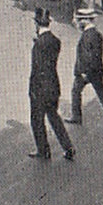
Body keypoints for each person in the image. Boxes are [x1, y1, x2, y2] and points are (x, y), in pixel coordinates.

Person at [27, 8, 75, 161]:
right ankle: (68, 147)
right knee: (54, 117)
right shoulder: (55, 41)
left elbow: (37, 68)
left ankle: (43, 151)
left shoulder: (38, 45)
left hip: (40, 89)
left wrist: (33, 90)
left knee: (37, 120)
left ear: (36, 24)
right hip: (53, 86)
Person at [65, 9, 103, 129]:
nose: (77, 22)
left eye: (79, 20)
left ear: (85, 20)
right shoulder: (96, 34)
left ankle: (77, 117)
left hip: (88, 72)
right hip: (96, 71)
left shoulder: (88, 35)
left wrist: (84, 72)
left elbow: (89, 56)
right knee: (100, 94)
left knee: (80, 92)